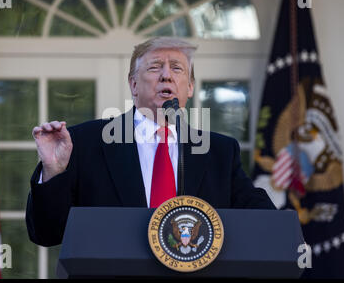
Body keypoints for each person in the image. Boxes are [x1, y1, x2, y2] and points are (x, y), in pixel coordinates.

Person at [26, 37, 275, 247]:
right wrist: (54, 171)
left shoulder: (220, 152)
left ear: (189, 87)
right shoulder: (85, 142)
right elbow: (47, 234)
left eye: (177, 68)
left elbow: (265, 222)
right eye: (155, 67)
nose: (166, 75)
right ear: (133, 84)